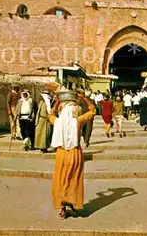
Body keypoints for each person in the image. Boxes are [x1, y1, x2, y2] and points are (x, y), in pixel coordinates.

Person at [49, 90, 96, 219]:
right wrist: (85, 98)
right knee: (74, 178)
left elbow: (51, 114)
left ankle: (62, 208)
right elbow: (93, 111)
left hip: (61, 153)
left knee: (61, 179)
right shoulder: (78, 121)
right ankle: (73, 202)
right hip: (75, 153)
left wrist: (57, 101)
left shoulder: (57, 122)